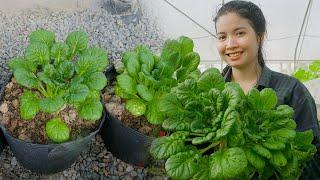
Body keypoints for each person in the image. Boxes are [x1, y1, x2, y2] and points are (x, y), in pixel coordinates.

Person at [213, 0, 320, 177]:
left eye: (240, 33)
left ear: (260, 36)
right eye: (222, 37)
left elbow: (313, 157)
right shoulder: (211, 91)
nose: (230, 44)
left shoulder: (292, 90)